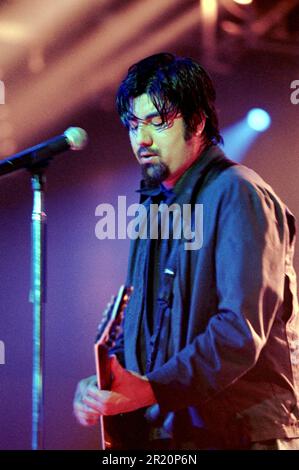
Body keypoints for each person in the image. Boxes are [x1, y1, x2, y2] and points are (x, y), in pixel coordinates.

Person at [73, 52, 299, 450]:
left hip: (243, 434)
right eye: (133, 124)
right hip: (176, 435)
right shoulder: (154, 207)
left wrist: (153, 388)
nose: (141, 140)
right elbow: (144, 330)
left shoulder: (237, 191)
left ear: (196, 121)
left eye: (158, 123)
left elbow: (239, 331)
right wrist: (105, 384)